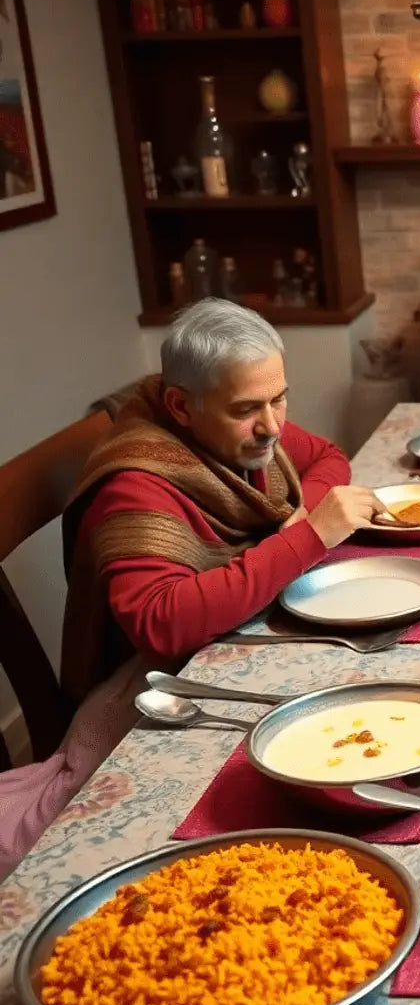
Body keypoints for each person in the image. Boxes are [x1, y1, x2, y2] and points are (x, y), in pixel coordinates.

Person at [59, 298, 387, 704]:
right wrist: (309, 537)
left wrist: (306, 511)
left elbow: (327, 457)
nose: (271, 428)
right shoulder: (135, 483)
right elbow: (160, 625)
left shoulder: (236, 431)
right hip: (154, 685)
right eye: (245, 409)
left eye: (279, 400)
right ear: (180, 406)